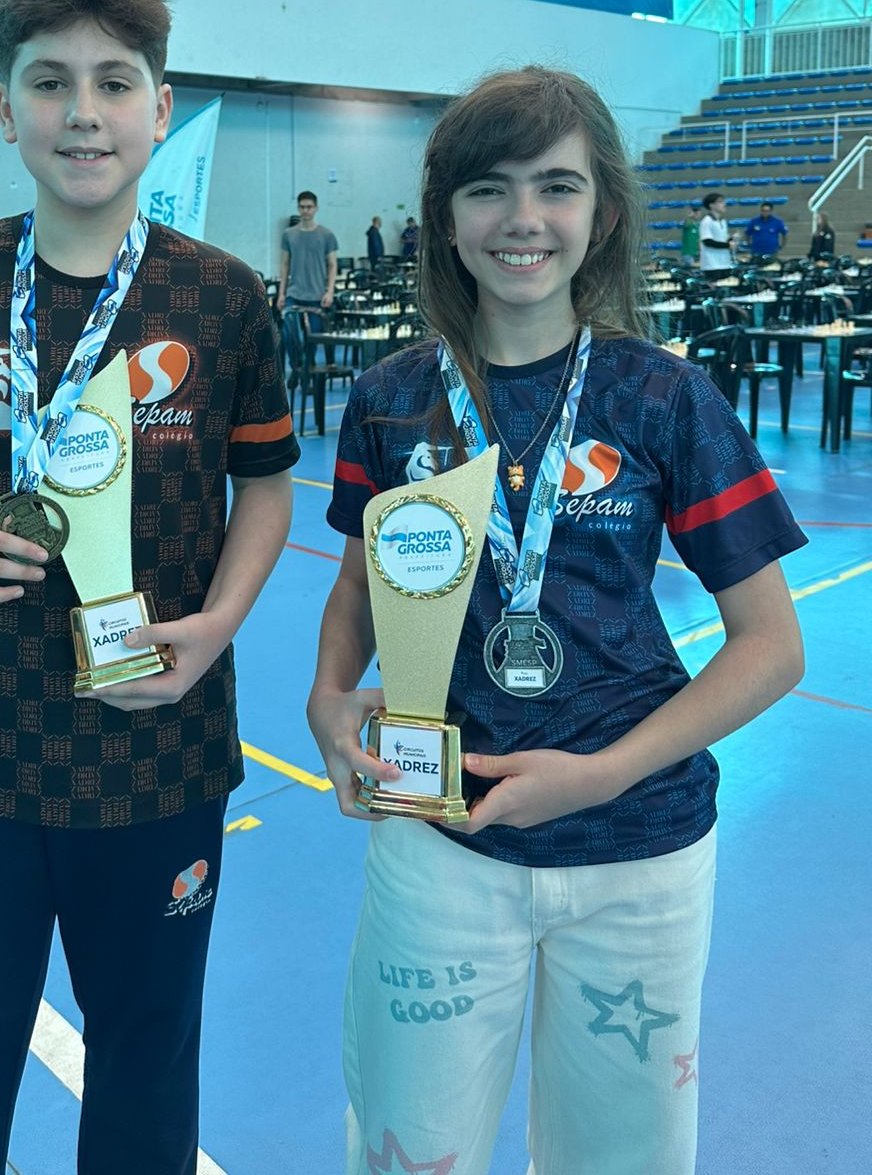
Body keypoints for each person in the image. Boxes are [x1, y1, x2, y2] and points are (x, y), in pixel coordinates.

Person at [0, 0, 298, 1175]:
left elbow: (266, 486)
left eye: (114, 82)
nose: (83, 112)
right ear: (6, 108)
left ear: (160, 106)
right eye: (50, 83)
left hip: (160, 740)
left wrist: (220, 623)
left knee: (149, 1052)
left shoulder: (222, 297)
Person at [307, 67, 805, 1175]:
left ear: (604, 212)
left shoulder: (665, 396)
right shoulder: (391, 398)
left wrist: (602, 775)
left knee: (622, 1160)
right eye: (488, 188)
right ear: (445, 217)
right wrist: (329, 695)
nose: (523, 218)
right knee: (410, 1149)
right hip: (439, 836)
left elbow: (773, 647)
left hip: (640, 847)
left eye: (557, 186)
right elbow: (359, 586)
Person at [277, 190, 338, 383]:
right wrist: (281, 293)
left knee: (313, 339)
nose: (306, 210)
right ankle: (297, 368)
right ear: (298, 208)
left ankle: (306, 374)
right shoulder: (289, 235)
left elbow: (332, 264)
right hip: (294, 294)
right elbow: (285, 264)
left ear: (316, 208)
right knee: (290, 336)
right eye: (302, 207)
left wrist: (330, 291)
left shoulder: (327, 235)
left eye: (309, 207)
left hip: (317, 296)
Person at [697, 190, 735, 277]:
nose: (724, 204)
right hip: (712, 264)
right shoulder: (706, 221)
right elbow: (707, 241)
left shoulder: (723, 221)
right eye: (720, 202)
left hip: (725, 262)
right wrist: (728, 245)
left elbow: (722, 240)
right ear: (711, 205)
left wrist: (731, 240)